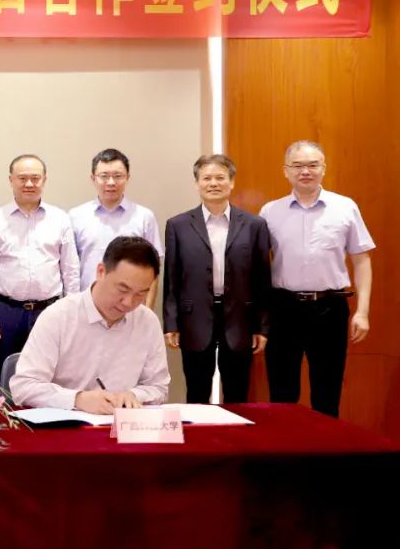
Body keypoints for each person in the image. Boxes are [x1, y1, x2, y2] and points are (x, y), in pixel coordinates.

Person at [260, 140, 374, 418]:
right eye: (297, 165)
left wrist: (362, 312)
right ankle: (284, 444)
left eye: (312, 165)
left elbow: (362, 260)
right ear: (285, 171)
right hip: (283, 309)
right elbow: (256, 266)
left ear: (324, 168)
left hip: (329, 308)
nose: (305, 171)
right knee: (282, 393)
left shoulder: (345, 207)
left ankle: (326, 446)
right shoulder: (270, 212)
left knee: (327, 390)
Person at [11, 236, 170, 413]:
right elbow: (24, 386)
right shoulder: (58, 317)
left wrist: (134, 395)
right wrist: (77, 399)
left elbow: (159, 387)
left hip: (123, 425)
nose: (128, 302)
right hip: (68, 424)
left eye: (140, 294)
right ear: (101, 271)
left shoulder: (147, 322)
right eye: (122, 289)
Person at [163, 155, 272, 403]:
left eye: (220, 178)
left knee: (237, 392)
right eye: (207, 178)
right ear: (197, 183)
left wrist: (262, 327)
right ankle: (199, 429)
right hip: (194, 318)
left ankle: (235, 429)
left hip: (240, 318)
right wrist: (171, 322)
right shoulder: (178, 225)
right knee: (197, 391)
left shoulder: (254, 225)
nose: (213, 183)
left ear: (231, 182)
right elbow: (172, 278)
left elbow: (262, 280)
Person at [0, 153, 80, 383]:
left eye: (35, 178)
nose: (29, 184)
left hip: (50, 311)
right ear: (11, 180)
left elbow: (71, 271)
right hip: (7, 313)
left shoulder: (60, 218)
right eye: (22, 178)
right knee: (7, 381)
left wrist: (72, 313)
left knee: (51, 378)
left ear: (44, 180)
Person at [69, 148, 163, 309]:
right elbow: (70, 268)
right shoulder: (75, 216)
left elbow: (153, 269)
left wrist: (147, 310)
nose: (111, 182)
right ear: (93, 178)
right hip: (87, 305)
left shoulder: (144, 217)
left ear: (127, 177)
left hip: (131, 306)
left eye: (118, 176)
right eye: (104, 176)